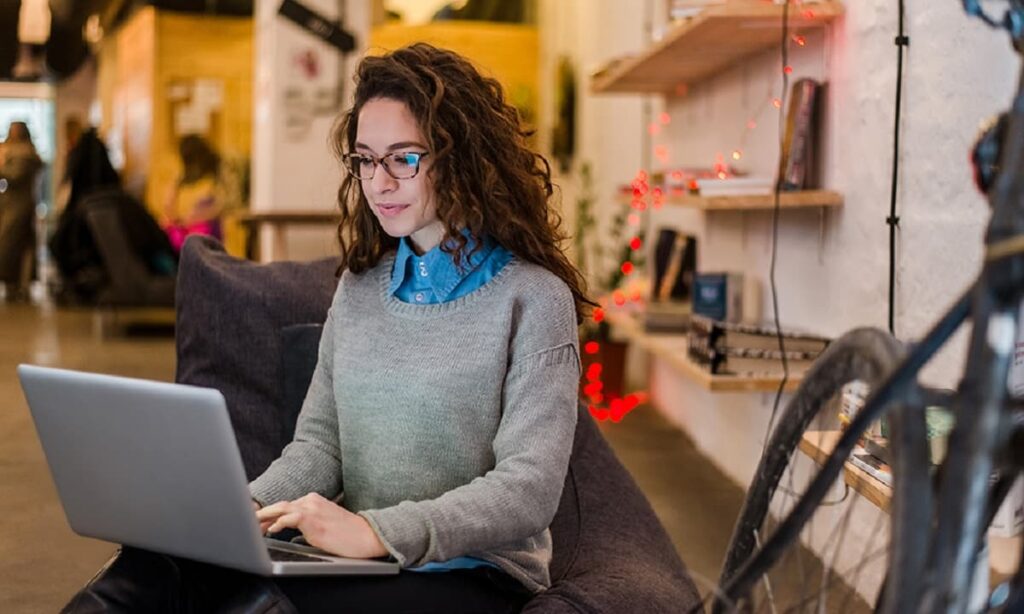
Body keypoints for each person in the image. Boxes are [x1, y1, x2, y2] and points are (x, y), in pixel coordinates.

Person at [64, 43, 593, 613]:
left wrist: (377, 533)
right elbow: (319, 446)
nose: (378, 182)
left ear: (461, 157)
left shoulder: (534, 298)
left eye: (403, 158)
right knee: (152, 568)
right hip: (360, 557)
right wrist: (237, 510)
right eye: (365, 159)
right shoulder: (360, 287)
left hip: (472, 573)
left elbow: (528, 491)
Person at [0, 121, 43, 301]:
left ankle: (16, 282)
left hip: (19, 205)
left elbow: (14, 175)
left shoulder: (24, 154)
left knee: (11, 244)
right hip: (15, 203)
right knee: (17, 244)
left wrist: (2, 166)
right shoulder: (20, 152)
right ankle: (15, 282)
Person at [162, 134, 224, 253]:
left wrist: (193, 218)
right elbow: (168, 210)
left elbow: (222, 208)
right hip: (188, 230)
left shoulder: (215, 177)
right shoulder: (180, 180)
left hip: (204, 233)